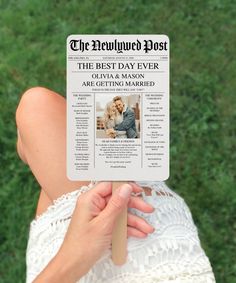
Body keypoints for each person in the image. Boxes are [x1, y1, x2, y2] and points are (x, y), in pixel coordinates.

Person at [16, 87, 216, 283]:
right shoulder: (120, 112)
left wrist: (71, 259)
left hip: (66, 263)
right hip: (154, 249)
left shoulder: (124, 114)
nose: (119, 105)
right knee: (40, 114)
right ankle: (29, 147)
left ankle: (28, 148)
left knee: (38, 108)